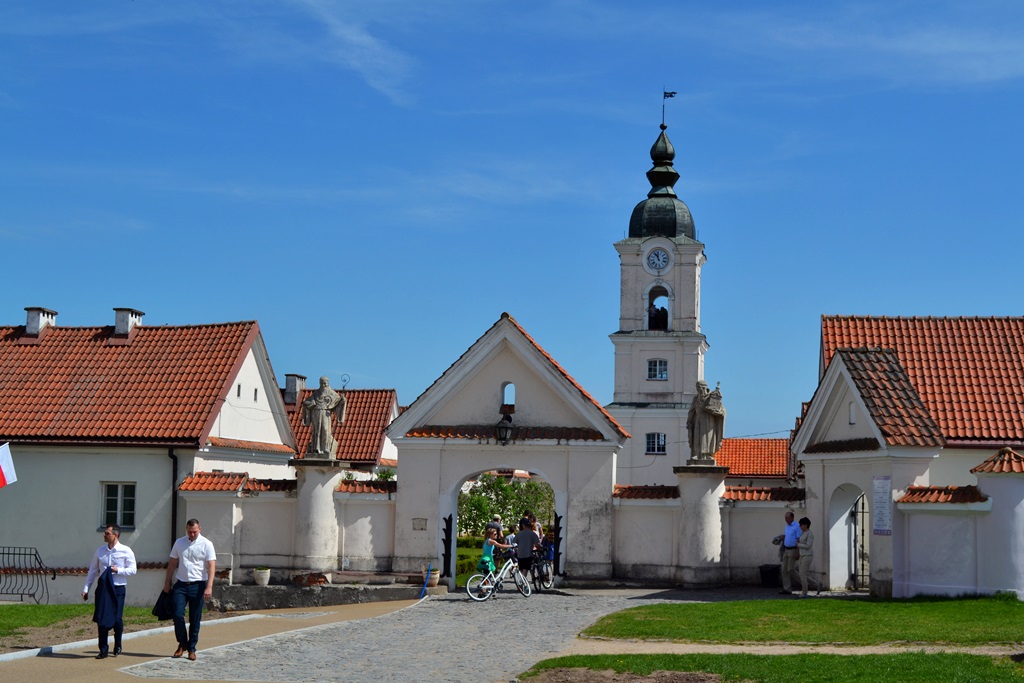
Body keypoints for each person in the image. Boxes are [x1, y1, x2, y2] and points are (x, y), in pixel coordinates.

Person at [164, 518, 217, 661]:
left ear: (199, 529)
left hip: (198, 585)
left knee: (195, 618)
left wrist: (209, 586)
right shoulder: (179, 543)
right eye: (189, 532)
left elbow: (211, 566)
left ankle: (192, 648)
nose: (192, 534)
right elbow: (173, 563)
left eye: (194, 532)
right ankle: (182, 643)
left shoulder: (206, 544)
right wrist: (167, 582)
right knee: (177, 614)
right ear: (186, 530)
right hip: (181, 584)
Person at [82, 524, 136, 659]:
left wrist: (118, 570)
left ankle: (117, 644)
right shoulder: (100, 551)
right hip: (103, 588)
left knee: (117, 618)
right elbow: (93, 571)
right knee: (102, 618)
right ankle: (103, 649)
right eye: (105, 533)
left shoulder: (126, 550)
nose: (104, 535)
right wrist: (86, 588)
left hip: (118, 588)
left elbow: (133, 569)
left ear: (115, 535)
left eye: (107, 533)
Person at [301, 376, 347, 456]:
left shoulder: (331, 393)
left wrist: (343, 400)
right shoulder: (316, 393)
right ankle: (316, 448)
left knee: (325, 430)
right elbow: (308, 401)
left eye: (325, 383)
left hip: (326, 413)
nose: (323, 385)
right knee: (316, 430)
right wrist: (309, 403)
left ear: (328, 383)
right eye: (321, 383)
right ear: (319, 383)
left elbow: (338, 402)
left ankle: (326, 448)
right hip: (316, 412)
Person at [686, 380, 726, 460]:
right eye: (697, 388)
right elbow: (692, 411)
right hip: (697, 419)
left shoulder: (712, 397)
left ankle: (708, 455)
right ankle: (697, 454)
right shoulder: (696, 398)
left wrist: (716, 411)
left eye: (700, 388)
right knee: (697, 437)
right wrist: (689, 421)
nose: (699, 390)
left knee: (707, 437)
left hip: (709, 420)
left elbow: (721, 410)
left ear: (704, 388)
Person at [780, 511, 801, 595]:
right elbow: (787, 536)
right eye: (785, 518)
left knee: (790, 569)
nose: (786, 519)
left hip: (793, 550)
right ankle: (787, 589)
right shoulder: (787, 526)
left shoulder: (797, 527)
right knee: (784, 570)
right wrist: (782, 538)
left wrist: (797, 551)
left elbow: (799, 539)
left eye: (787, 518)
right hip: (786, 550)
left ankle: (808, 582)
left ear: (792, 518)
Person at [796, 517, 815, 598]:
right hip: (802, 555)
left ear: (805, 525)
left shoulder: (810, 534)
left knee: (802, 574)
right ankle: (817, 584)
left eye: (801, 525)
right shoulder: (803, 533)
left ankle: (805, 593)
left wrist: (798, 544)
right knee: (802, 573)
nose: (800, 526)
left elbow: (808, 546)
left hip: (808, 555)